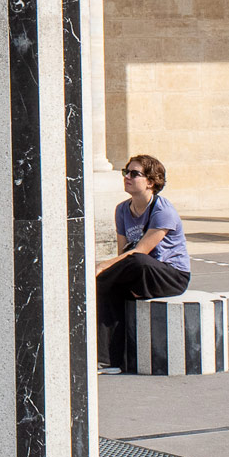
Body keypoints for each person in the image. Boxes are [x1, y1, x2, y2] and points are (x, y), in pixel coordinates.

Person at [95, 154, 192, 373]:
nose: (127, 177)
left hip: (171, 276)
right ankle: (109, 361)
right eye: (125, 172)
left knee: (134, 261)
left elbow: (140, 251)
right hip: (139, 271)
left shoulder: (162, 210)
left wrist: (102, 266)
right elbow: (123, 252)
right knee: (108, 287)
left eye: (134, 173)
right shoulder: (122, 209)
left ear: (151, 181)